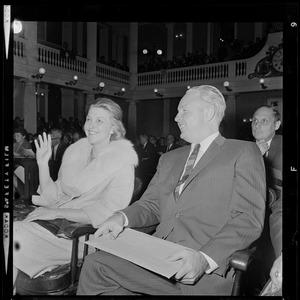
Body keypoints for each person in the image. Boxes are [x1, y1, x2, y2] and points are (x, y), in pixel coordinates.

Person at [77, 85, 266, 296]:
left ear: (209, 112)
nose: (176, 118)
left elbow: (248, 219)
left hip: (199, 271)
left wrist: (204, 259)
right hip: (157, 257)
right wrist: (121, 217)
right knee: (95, 264)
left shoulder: (242, 152)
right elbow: (151, 205)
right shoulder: (169, 158)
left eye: (184, 110)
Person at [13, 98, 138, 291]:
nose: (91, 126)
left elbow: (108, 214)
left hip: (82, 236)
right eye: (89, 119)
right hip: (54, 226)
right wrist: (42, 164)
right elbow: (53, 195)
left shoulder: (122, 163)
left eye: (99, 121)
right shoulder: (76, 154)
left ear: (113, 127)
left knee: (14, 236)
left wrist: (56, 213)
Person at [251, 105, 282, 290]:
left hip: (275, 213)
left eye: (264, 121)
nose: (257, 125)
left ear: (277, 125)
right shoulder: (245, 148)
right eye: (255, 120)